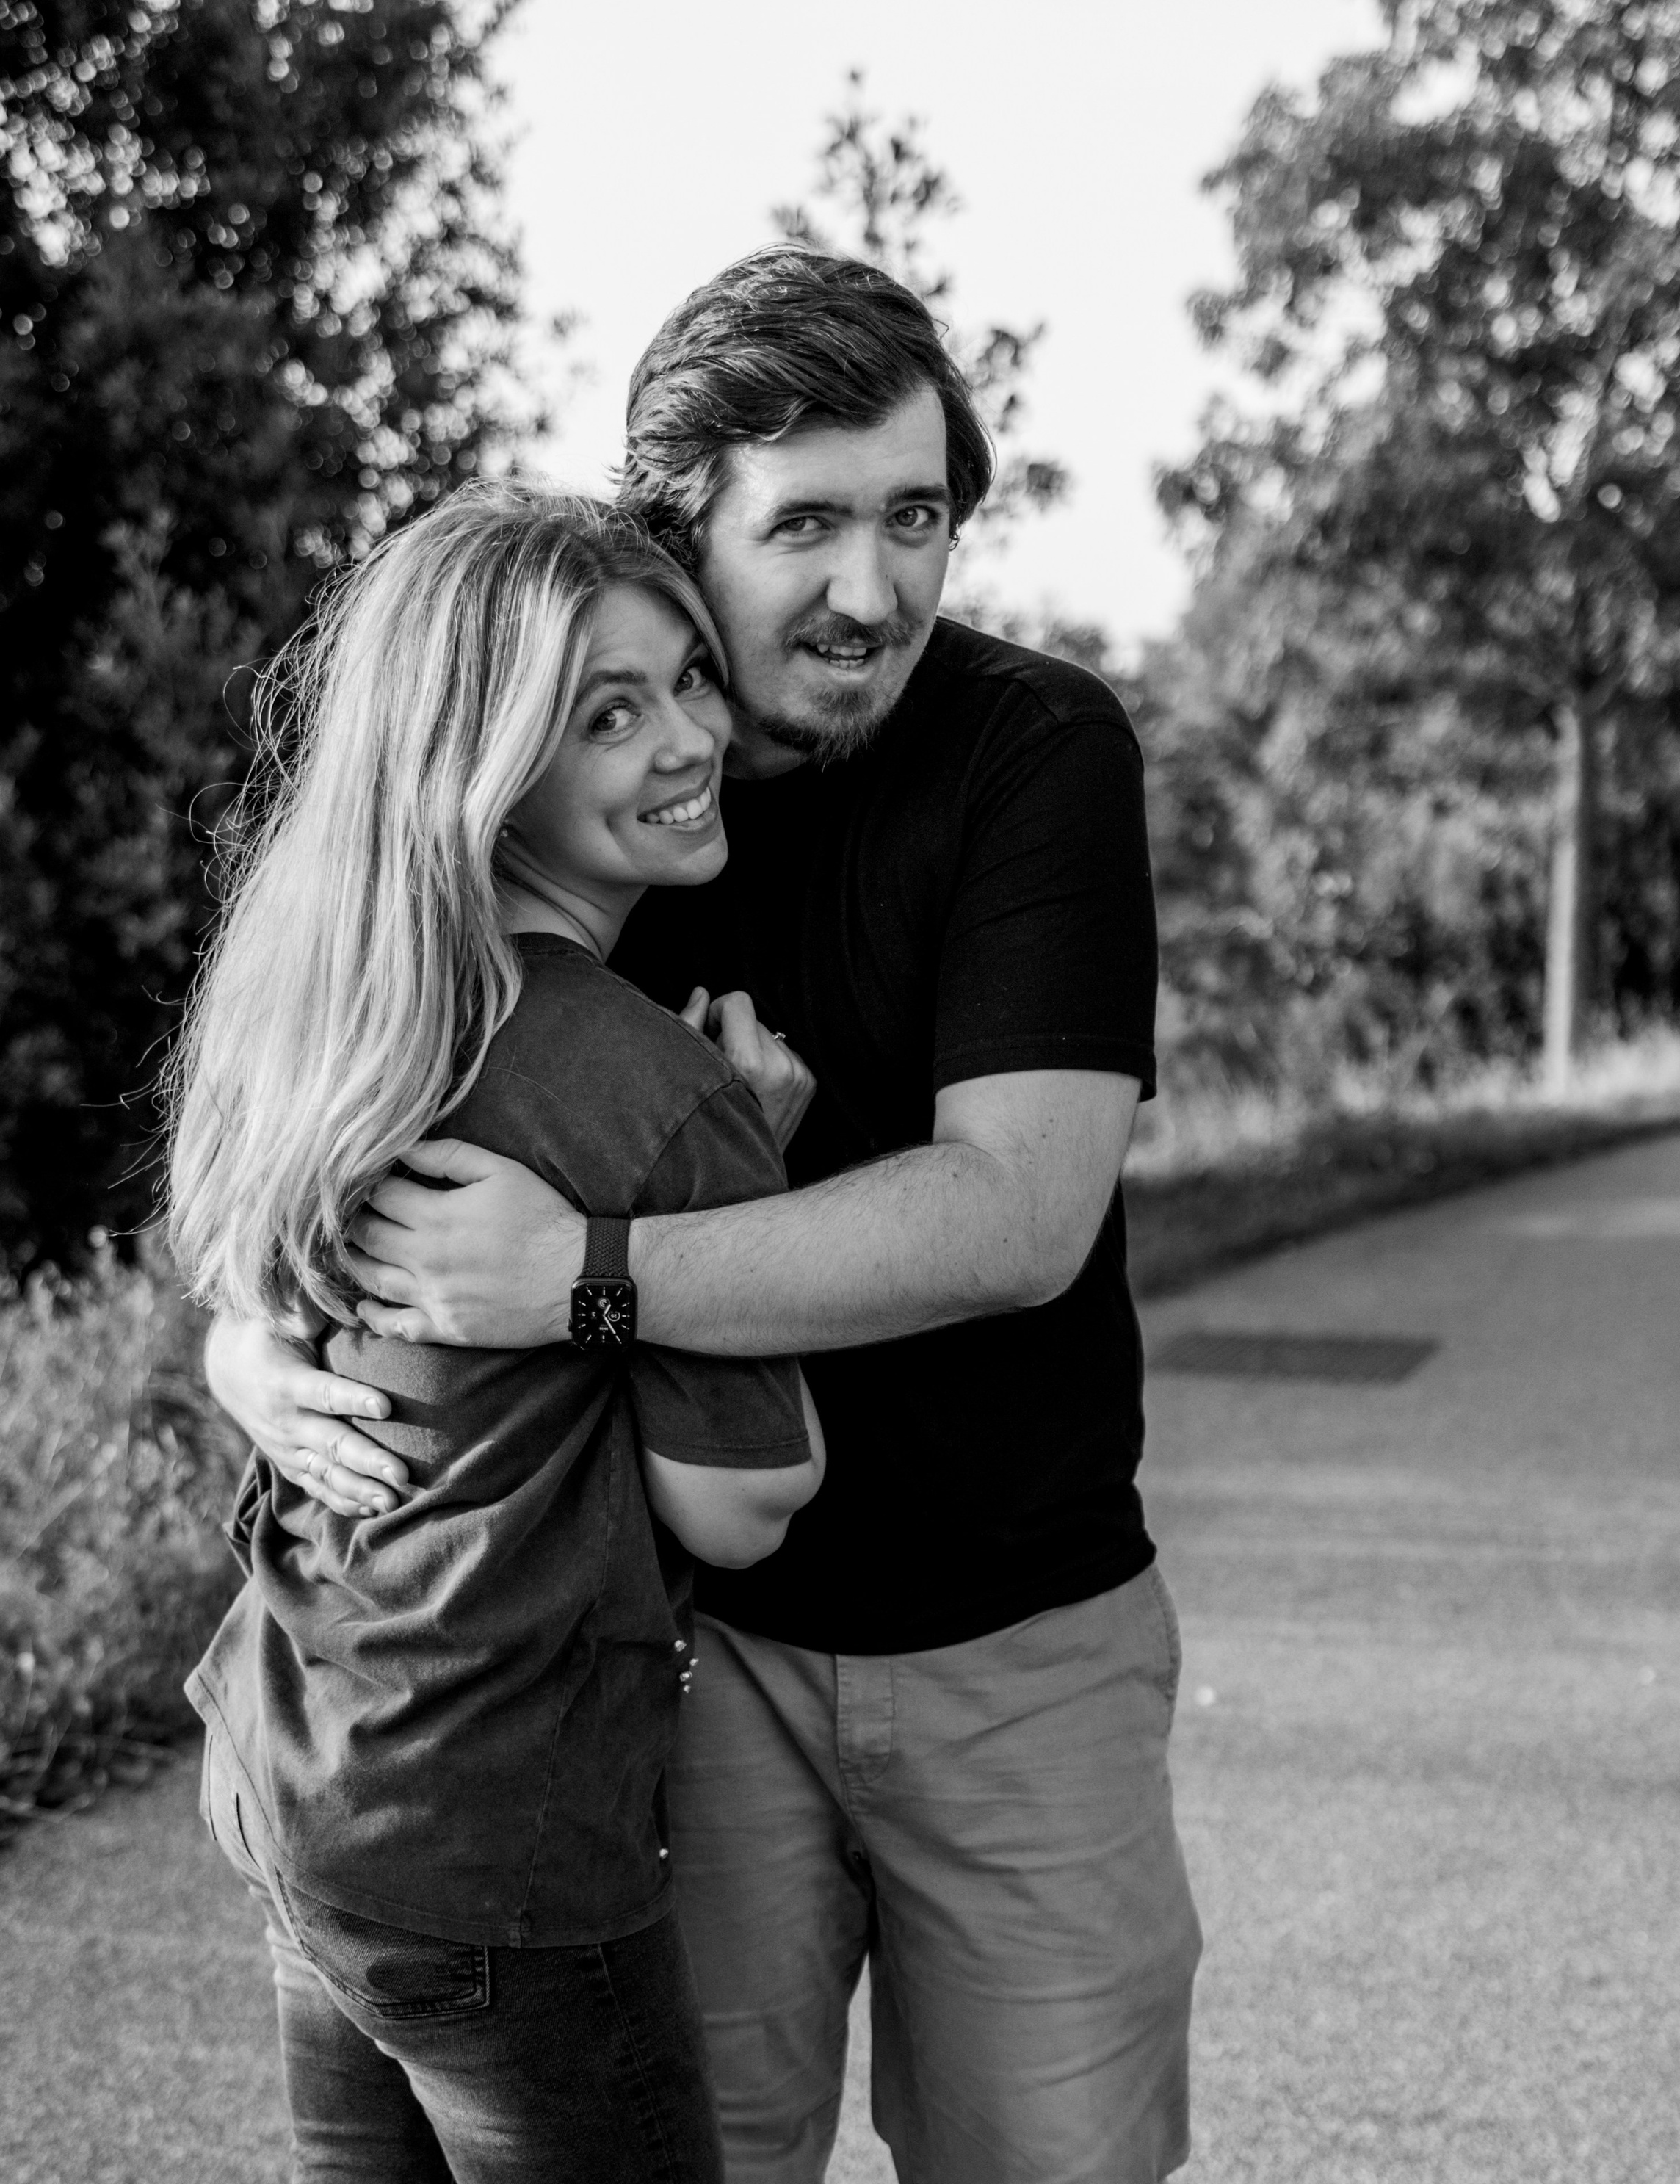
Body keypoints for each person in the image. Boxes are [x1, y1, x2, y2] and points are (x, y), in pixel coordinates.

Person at [208, 248, 1203, 2184]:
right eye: (807, 524)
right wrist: (252, 1340)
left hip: (1017, 1632)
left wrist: (583, 1278)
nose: (875, 586)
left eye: (915, 517)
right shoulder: (573, 781)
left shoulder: (1034, 751)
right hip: (687, 1661)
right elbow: (313, 1074)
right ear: (676, 537)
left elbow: (1020, 1212)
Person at [166, 485, 825, 2184]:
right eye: (608, 711)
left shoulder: (329, 1010)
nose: (692, 736)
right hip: (498, 1852)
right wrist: (730, 1194)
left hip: (300, 1779)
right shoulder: (662, 1096)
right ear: (491, 762)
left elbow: (235, 1294)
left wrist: (247, 1362)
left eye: (687, 676)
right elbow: (741, 1503)